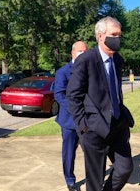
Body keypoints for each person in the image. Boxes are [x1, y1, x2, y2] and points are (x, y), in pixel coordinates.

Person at [66, 16, 134, 191]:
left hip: (117, 126)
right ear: (100, 36)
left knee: (125, 168)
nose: (117, 39)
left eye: (119, 35)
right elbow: (73, 96)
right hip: (94, 129)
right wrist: (83, 127)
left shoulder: (117, 60)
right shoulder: (86, 60)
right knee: (95, 181)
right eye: (114, 34)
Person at [54, 41, 88, 191]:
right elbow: (59, 94)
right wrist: (76, 110)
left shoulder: (90, 70)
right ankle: (70, 181)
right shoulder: (63, 72)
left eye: (85, 51)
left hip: (88, 120)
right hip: (69, 121)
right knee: (69, 153)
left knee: (91, 151)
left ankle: (94, 178)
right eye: (80, 51)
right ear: (72, 53)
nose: (83, 54)